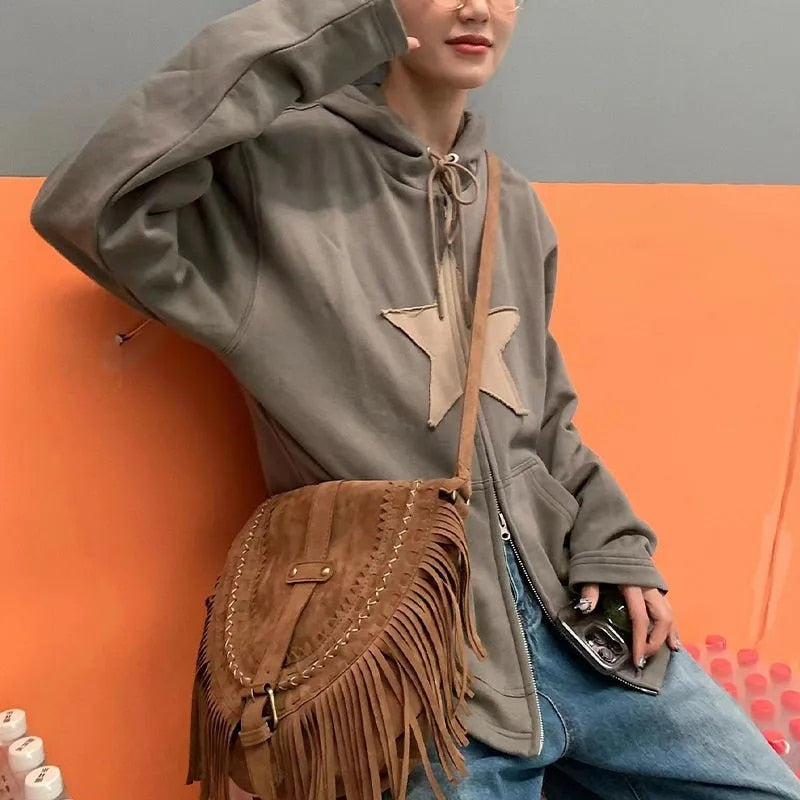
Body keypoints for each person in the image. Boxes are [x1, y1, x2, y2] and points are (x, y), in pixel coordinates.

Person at [29, 0, 800, 797]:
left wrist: (616, 542)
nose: (476, 8)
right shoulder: (276, 181)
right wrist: (326, 31)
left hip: (580, 629)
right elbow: (89, 206)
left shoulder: (513, 202)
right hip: (415, 668)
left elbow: (546, 422)